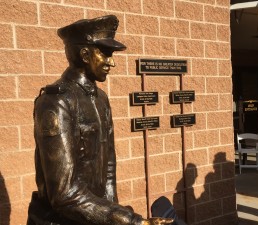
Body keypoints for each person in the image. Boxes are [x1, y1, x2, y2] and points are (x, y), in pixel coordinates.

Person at [26, 15, 173, 225]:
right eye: (105, 54)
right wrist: (132, 222)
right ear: (85, 54)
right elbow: (64, 195)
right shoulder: (56, 102)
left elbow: (109, 167)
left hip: (96, 217)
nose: (111, 62)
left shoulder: (101, 99)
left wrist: (114, 216)